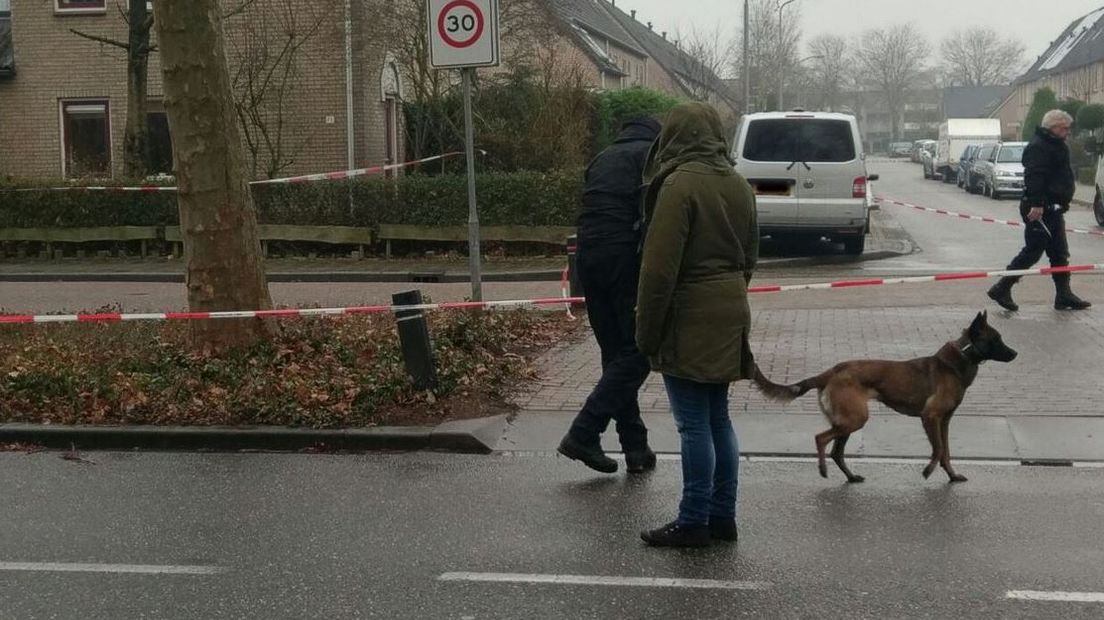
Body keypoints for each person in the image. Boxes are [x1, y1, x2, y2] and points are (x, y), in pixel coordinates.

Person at [634, 102, 759, 548]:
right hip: (730, 309)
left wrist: (646, 332)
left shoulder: (678, 186)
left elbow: (658, 271)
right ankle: (722, 517)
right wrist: (728, 292)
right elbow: (750, 257)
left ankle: (693, 521)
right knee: (718, 418)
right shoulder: (739, 184)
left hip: (688, 314)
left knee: (693, 425)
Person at [557, 117, 661, 475]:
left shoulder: (602, 157)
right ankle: (584, 431)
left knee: (616, 353)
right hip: (623, 258)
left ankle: (635, 446)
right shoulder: (650, 156)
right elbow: (654, 216)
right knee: (642, 349)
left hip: (588, 259)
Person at [987, 110, 1091, 312]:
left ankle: (1063, 295)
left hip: (1054, 208)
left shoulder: (1056, 144)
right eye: (1064, 128)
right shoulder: (1039, 146)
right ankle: (1002, 287)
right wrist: (1037, 204)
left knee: (1059, 253)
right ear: (1052, 127)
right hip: (1040, 209)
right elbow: (1035, 176)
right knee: (1033, 251)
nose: (1068, 132)